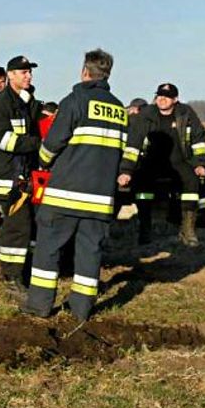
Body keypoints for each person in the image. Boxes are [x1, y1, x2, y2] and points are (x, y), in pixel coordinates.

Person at [23, 49, 126, 322]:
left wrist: (43, 162)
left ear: (84, 71)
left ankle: (39, 306)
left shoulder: (75, 100)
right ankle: (81, 309)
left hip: (65, 194)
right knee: (90, 253)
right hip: (101, 198)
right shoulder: (119, 109)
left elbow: (53, 143)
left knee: (48, 249)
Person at [0, 55, 42, 292]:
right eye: (24, 72)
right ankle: (11, 277)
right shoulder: (0, 104)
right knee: (17, 227)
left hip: (21, 174)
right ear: (10, 75)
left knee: (26, 225)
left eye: (30, 72)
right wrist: (38, 143)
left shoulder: (25, 101)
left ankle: (22, 271)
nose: (29, 76)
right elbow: (4, 140)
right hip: (5, 176)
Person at [124, 83, 205, 246]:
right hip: (151, 161)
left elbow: (199, 139)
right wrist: (126, 170)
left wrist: (200, 164)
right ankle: (145, 229)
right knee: (142, 187)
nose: (162, 99)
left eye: (166, 96)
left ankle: (188, 230)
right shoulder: (146, 114)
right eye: (159, 96)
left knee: (191, 181)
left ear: (175, 99)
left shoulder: (186, 113)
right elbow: (133, 142)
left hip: (180, 161)